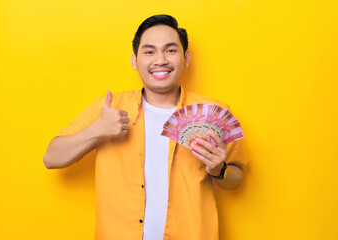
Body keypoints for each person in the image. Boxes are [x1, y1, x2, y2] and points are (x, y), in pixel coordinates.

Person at [43, 14, 248, 240]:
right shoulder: (109, 109)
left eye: (170, 50)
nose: (160, 60)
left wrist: (219, 170)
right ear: (134, 60)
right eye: (149, 51)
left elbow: (237, 178)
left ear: (186, 57)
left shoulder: (213, 113)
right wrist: (97, 130)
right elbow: (52, 158)